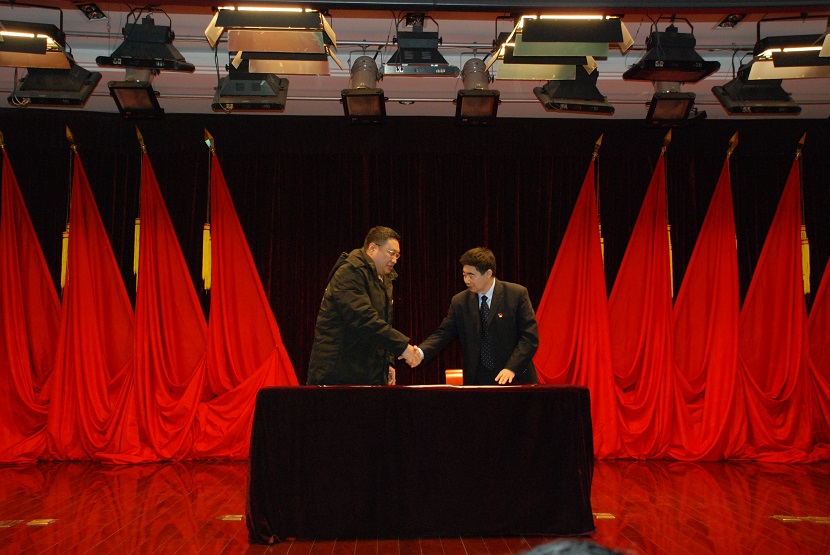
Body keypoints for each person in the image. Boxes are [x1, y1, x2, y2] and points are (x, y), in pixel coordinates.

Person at [307, 226, 421, 386]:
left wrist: (387, 363)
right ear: (372, 248)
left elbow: (385, 322)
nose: (395, 260)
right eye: (391, 253)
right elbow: (364, 319)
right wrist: (402, 347)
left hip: (368, 373)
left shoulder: (385, 279)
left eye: (397, 255)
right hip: (338, 374)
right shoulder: (349, 272)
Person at [416, 247, 539, 385]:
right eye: (464, 275)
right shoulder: (460, 301)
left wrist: (511, 368)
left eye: (471, 275)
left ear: (488, 273)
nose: (466, 280)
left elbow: (529, 337)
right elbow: (443, 333)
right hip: (478, 380)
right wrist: (420, 352)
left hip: (514, 377)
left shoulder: (516, 294)